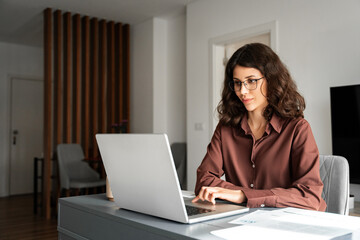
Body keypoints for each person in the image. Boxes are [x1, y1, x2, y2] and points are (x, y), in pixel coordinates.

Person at [192, 43, 326, 211]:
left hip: (289, 224)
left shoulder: (298, 129)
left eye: (251, 81)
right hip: (242, 220)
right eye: (237, 83)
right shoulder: (225, 128)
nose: (243, 91)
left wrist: (243, 195)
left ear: (271, 79)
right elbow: (204, 180)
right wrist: (248, 196)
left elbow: (309, 197)